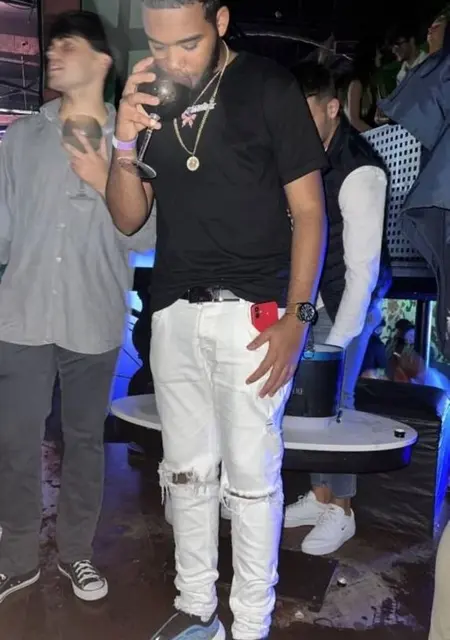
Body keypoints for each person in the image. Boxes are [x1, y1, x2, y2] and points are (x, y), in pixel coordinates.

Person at [106, 1, 327, 638]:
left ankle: (251, 624)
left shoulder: (268, 86)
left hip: (254, 316)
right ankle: (197, 609)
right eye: (158, 45)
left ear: (221, 21)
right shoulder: (150, 95)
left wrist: (298, 318)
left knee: (253, 479)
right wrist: (124, 141)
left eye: (189, 44)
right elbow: (128, 216)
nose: (172, 61)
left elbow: (310, 213)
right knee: (186, 474)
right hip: (174, 310)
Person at [0, 11, 154, 604]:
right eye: (52, 46)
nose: (52, 54)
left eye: (67, 45)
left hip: (94, 314)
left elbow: (145, 235)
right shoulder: (22, 138)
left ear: (102, 59)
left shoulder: (132, 139)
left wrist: (105, 177)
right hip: (22, 313)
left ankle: (76, 554)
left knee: (84, 440)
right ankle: (16, 557)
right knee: (15, 438)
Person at [284, 61, 390, 555]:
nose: (298, 129)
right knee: (309, 403)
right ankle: (321, 496)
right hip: (315, 294)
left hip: (349, 297)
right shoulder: (307, 153)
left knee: (334, 401)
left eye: (306, 117)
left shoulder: (359, 169)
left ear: (332, 109)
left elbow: (362, 271)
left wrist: (337, 344)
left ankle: (342, 511)